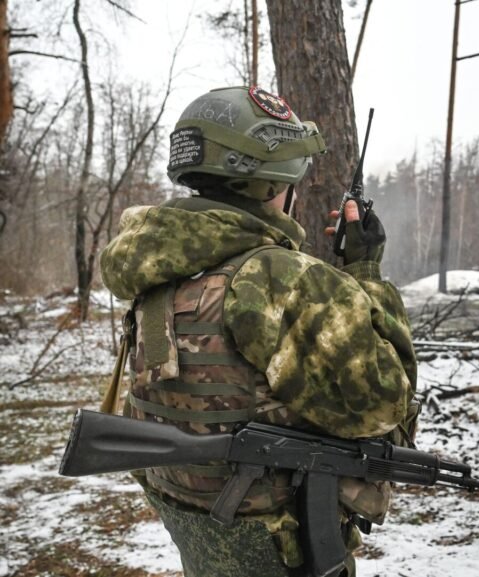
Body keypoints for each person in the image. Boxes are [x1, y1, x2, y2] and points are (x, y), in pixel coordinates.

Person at [99, 86, 418, 577]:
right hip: (280, 551)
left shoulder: (157, 273)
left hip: (203, 540)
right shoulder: (280, 279)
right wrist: (366, 273)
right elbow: (385, 410)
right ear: (271, 185)